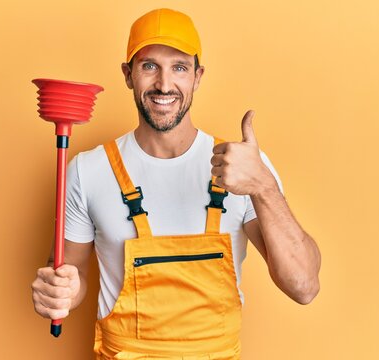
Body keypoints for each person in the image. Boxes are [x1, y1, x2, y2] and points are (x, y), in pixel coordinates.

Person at [31, 8, 321, 359]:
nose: (164, 85)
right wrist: (61, 292)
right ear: (128, 74)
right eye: (149, 66)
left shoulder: (245, 169)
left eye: (179, 68)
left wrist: (264, 186)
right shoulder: (88, 171)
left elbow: (304, 286)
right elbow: (70, 272)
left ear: (198, 77)